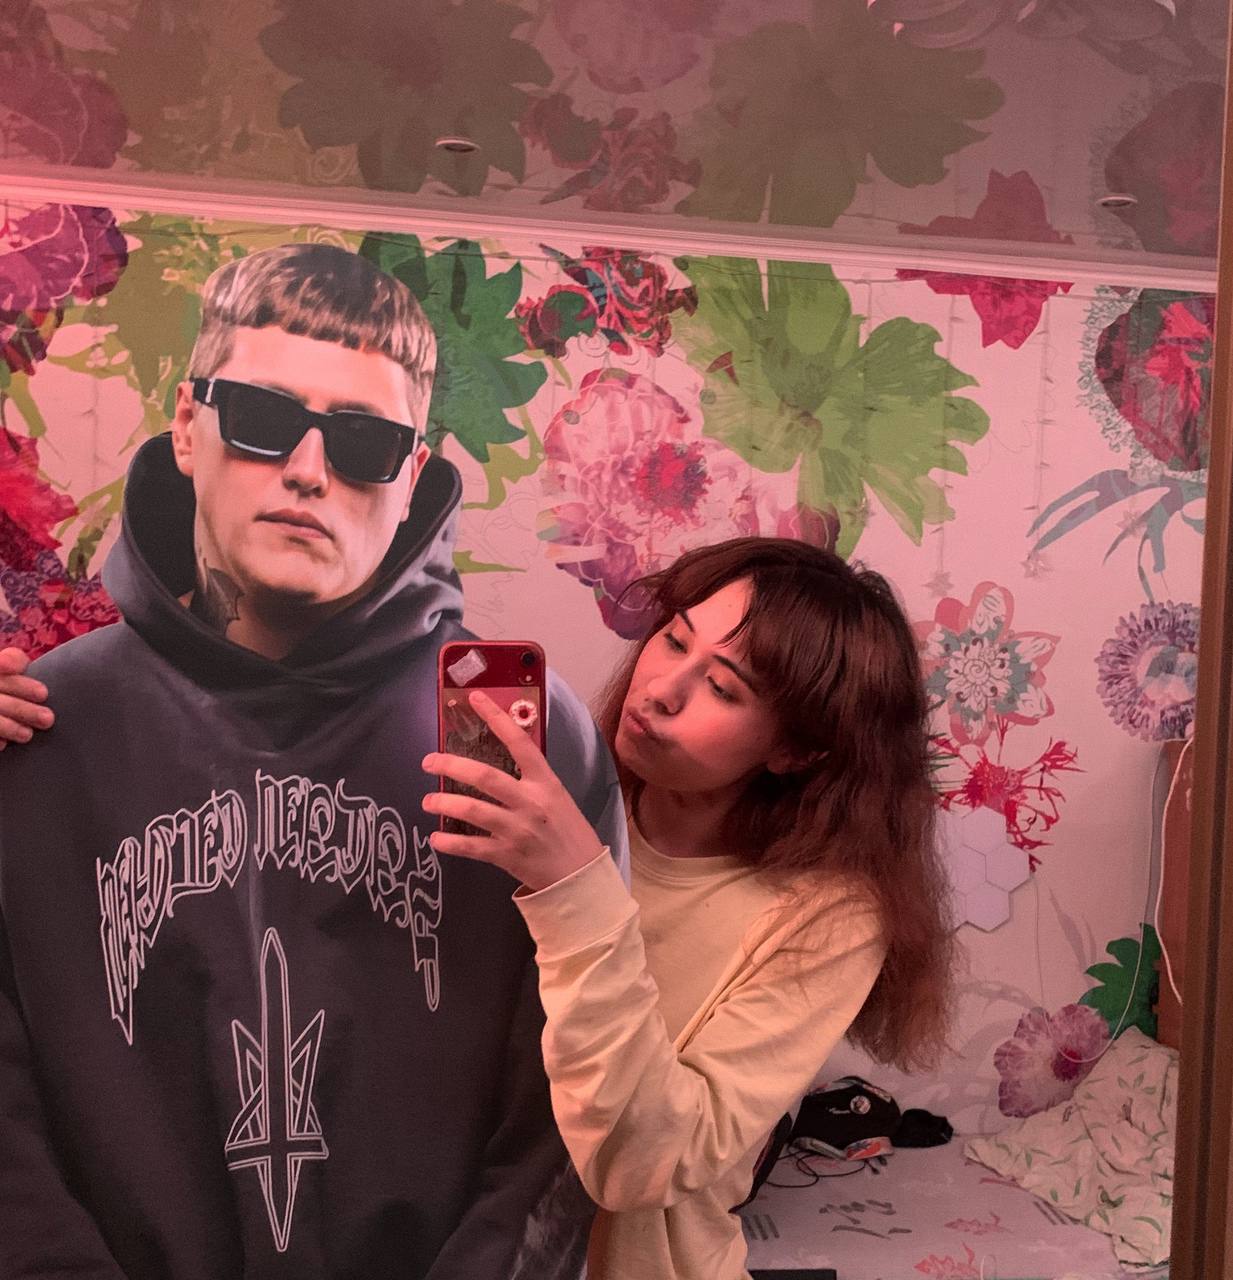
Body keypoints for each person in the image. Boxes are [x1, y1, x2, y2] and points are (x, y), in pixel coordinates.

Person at [0, 243, 627, 1280]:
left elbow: (565, 1110)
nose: (305, 469)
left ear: (412, 474)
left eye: (364, 440)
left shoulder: (517, 740)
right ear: (188, 426)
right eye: (261, 417)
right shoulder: (41, 724)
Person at [419, 537, 954, 1280]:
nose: (662, 690)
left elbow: (643, 1166)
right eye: (673, 640)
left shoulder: (828, 918)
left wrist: (575, 890)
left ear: (797, 752)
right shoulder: (557, 807)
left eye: (724, 689)